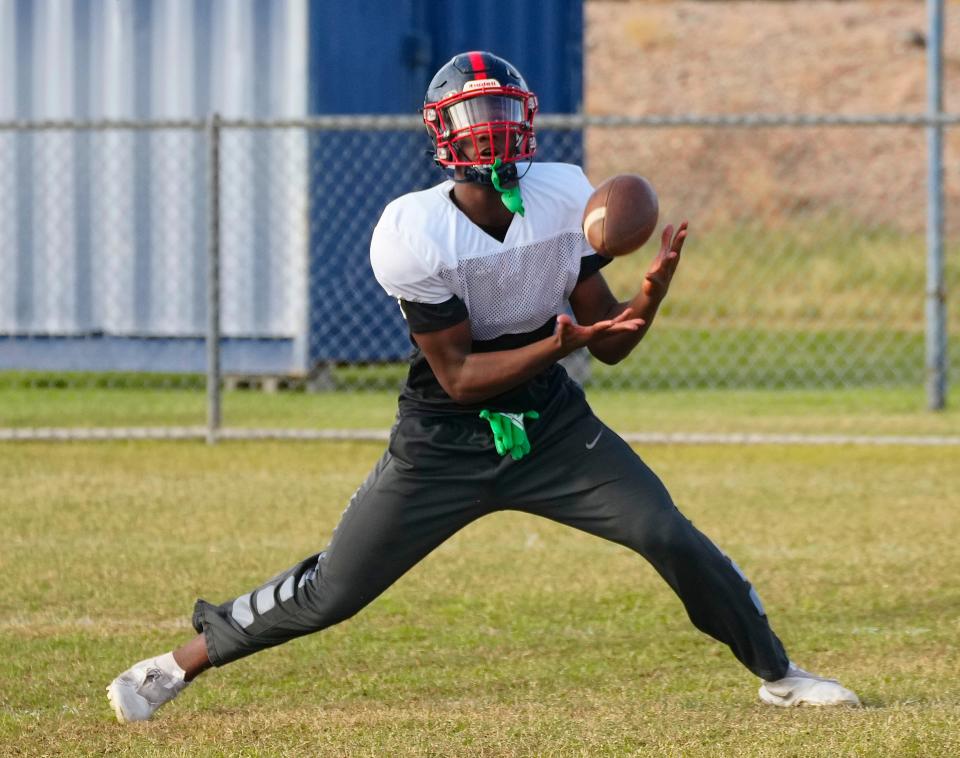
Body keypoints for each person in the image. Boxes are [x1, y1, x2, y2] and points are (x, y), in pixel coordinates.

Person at [106, 51, 859, 722]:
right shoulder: (413, 231)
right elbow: (461, 377)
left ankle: (780, 675)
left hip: (551, 426)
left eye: (500, 110)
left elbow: (609, 339)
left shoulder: (566, 197)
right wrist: (557, 345)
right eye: (472, 115)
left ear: (526, 118)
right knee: (333, 590)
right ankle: (174, 665)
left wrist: (645, 304)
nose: (489, 129)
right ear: (441, 134)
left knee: (666, 531)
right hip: (446, 435)